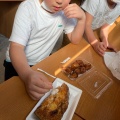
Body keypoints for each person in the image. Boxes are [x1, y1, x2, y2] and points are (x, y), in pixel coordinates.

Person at [4, 0, 86, 100]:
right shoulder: (28, 7)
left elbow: (75, 39)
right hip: (17, 62)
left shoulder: (65, 11)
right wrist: (27, 74)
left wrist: (82, 19)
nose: (59, 1)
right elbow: (16, 47)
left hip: (40, 63)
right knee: (11, 98)